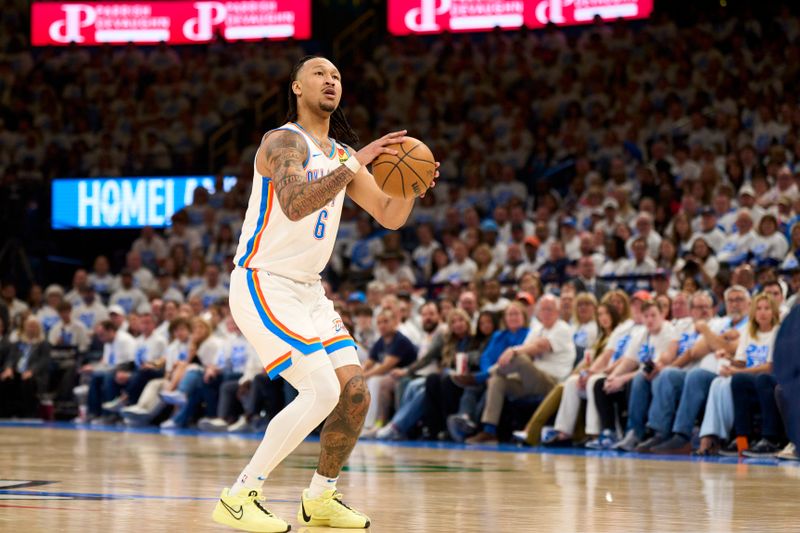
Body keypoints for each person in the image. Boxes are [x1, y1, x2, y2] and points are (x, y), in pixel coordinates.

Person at [215, 55, 438, 532]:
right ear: (296, 87)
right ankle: (240, 494)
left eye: (337, 75)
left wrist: (411, 185)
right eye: (320, 73)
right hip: (263, 280)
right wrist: (358, 160)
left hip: (308, 290)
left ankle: (320, 497)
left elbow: (387, 213)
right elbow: (295, 204)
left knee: (354, 394)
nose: (331, 80)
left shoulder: (339, 154)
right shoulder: (282, 141)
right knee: (320, 391)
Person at [466, 295, 576, 444]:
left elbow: (539, 347)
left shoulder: (562, 328)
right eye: (543, 309)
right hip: (530, 380)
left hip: (551, 382)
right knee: (497, 380)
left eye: (550, 309)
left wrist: (514, 350)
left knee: (519, 357)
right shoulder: (537, 329)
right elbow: (526, 349)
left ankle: (481, 377)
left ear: (558, 312)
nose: (546, 313)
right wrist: (516, 352)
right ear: (538, 312)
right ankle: (489, 431)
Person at [695, 292, 779, 456]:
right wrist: (729, 360)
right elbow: (741, 361)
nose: (762, 312)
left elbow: (770, 367)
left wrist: (738, 371)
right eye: (759, 309)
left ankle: (770, 439)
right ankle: (742, 439)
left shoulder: (777, 332)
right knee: (738, 379)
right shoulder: (749, 331)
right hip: (752, 378)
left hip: (771, 379)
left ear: (774, 312)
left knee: (757, 378)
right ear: (753, 312)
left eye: (767, 308)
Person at [0, 316, 51, 418]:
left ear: (38, 328)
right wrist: (8, 368)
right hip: (17, 372)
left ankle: (28, 414)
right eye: (29, 326)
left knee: (27, 380)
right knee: (6, 378)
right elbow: (11, 358)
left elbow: (44, 361)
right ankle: (6, 413)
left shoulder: (43, 344)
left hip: (35, 375)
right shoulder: (18, 343)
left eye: (34, 326)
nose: (31, 329)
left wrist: (32, 371)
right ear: (24, 327)